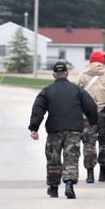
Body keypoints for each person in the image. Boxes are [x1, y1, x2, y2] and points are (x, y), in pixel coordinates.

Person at [29, 61, 99, 199]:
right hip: (73, 130)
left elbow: (38, 109)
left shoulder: (47, 91)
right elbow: (90, 105)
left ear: (54, 75)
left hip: (54, 130)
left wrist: (34, 127)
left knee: (53, 158)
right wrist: (92, 121)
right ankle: (69, 184)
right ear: (67, 73)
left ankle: (53, 188)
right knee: (71, 158)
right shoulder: (77, 90)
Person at [77, 51, 105, 183]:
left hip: (87, 116)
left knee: (88, 144)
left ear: (90, 62)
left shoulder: (82, 76)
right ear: (103, 62)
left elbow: (76, 96)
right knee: (104, 143)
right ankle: (103, 173)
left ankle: (90, 174)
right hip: (104, 114)